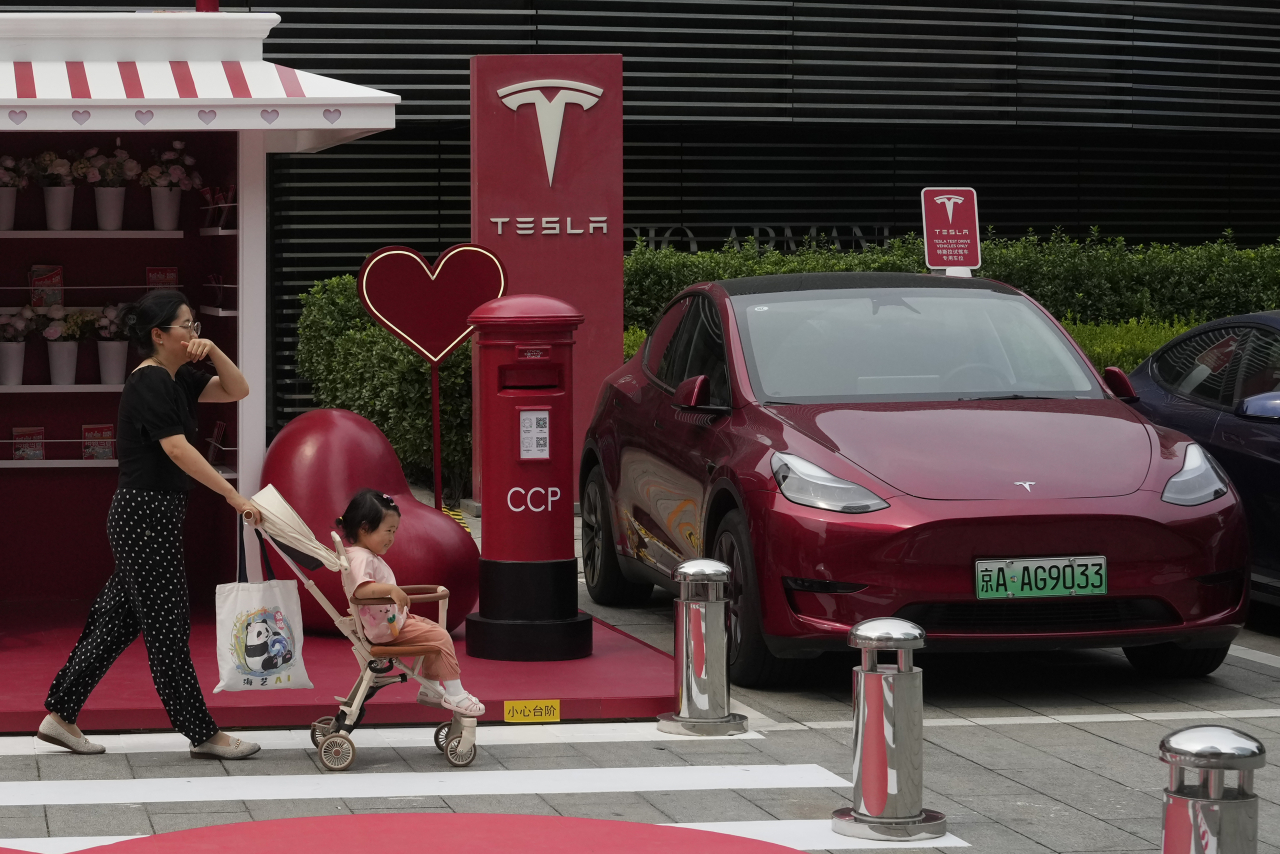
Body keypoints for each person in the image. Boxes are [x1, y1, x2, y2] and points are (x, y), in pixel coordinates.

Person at [40, 289, 264, 759]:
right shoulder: (150, 382)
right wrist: (231, 495)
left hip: (151, 516)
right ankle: (202, 733)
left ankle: (60, 714)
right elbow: (178, 449)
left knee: (116, 623)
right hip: (143, 515)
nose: (194, 334)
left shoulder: (178, 377)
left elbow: (238, 389)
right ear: (159, 335)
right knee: (168, 627)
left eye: (196, 326)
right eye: (187, 326)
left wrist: (216, 350)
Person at [337, 489, 484, 715]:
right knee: (440, 637)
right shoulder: (361, 558)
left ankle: (432, 687)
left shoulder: (361, 555)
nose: (392, 538)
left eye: (394, 531)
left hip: (390, 621)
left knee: (433, 629)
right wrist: (391, 589)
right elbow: (363, 589)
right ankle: (455, 693)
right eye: (388, 531)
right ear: (365, 528)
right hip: (387, 629)